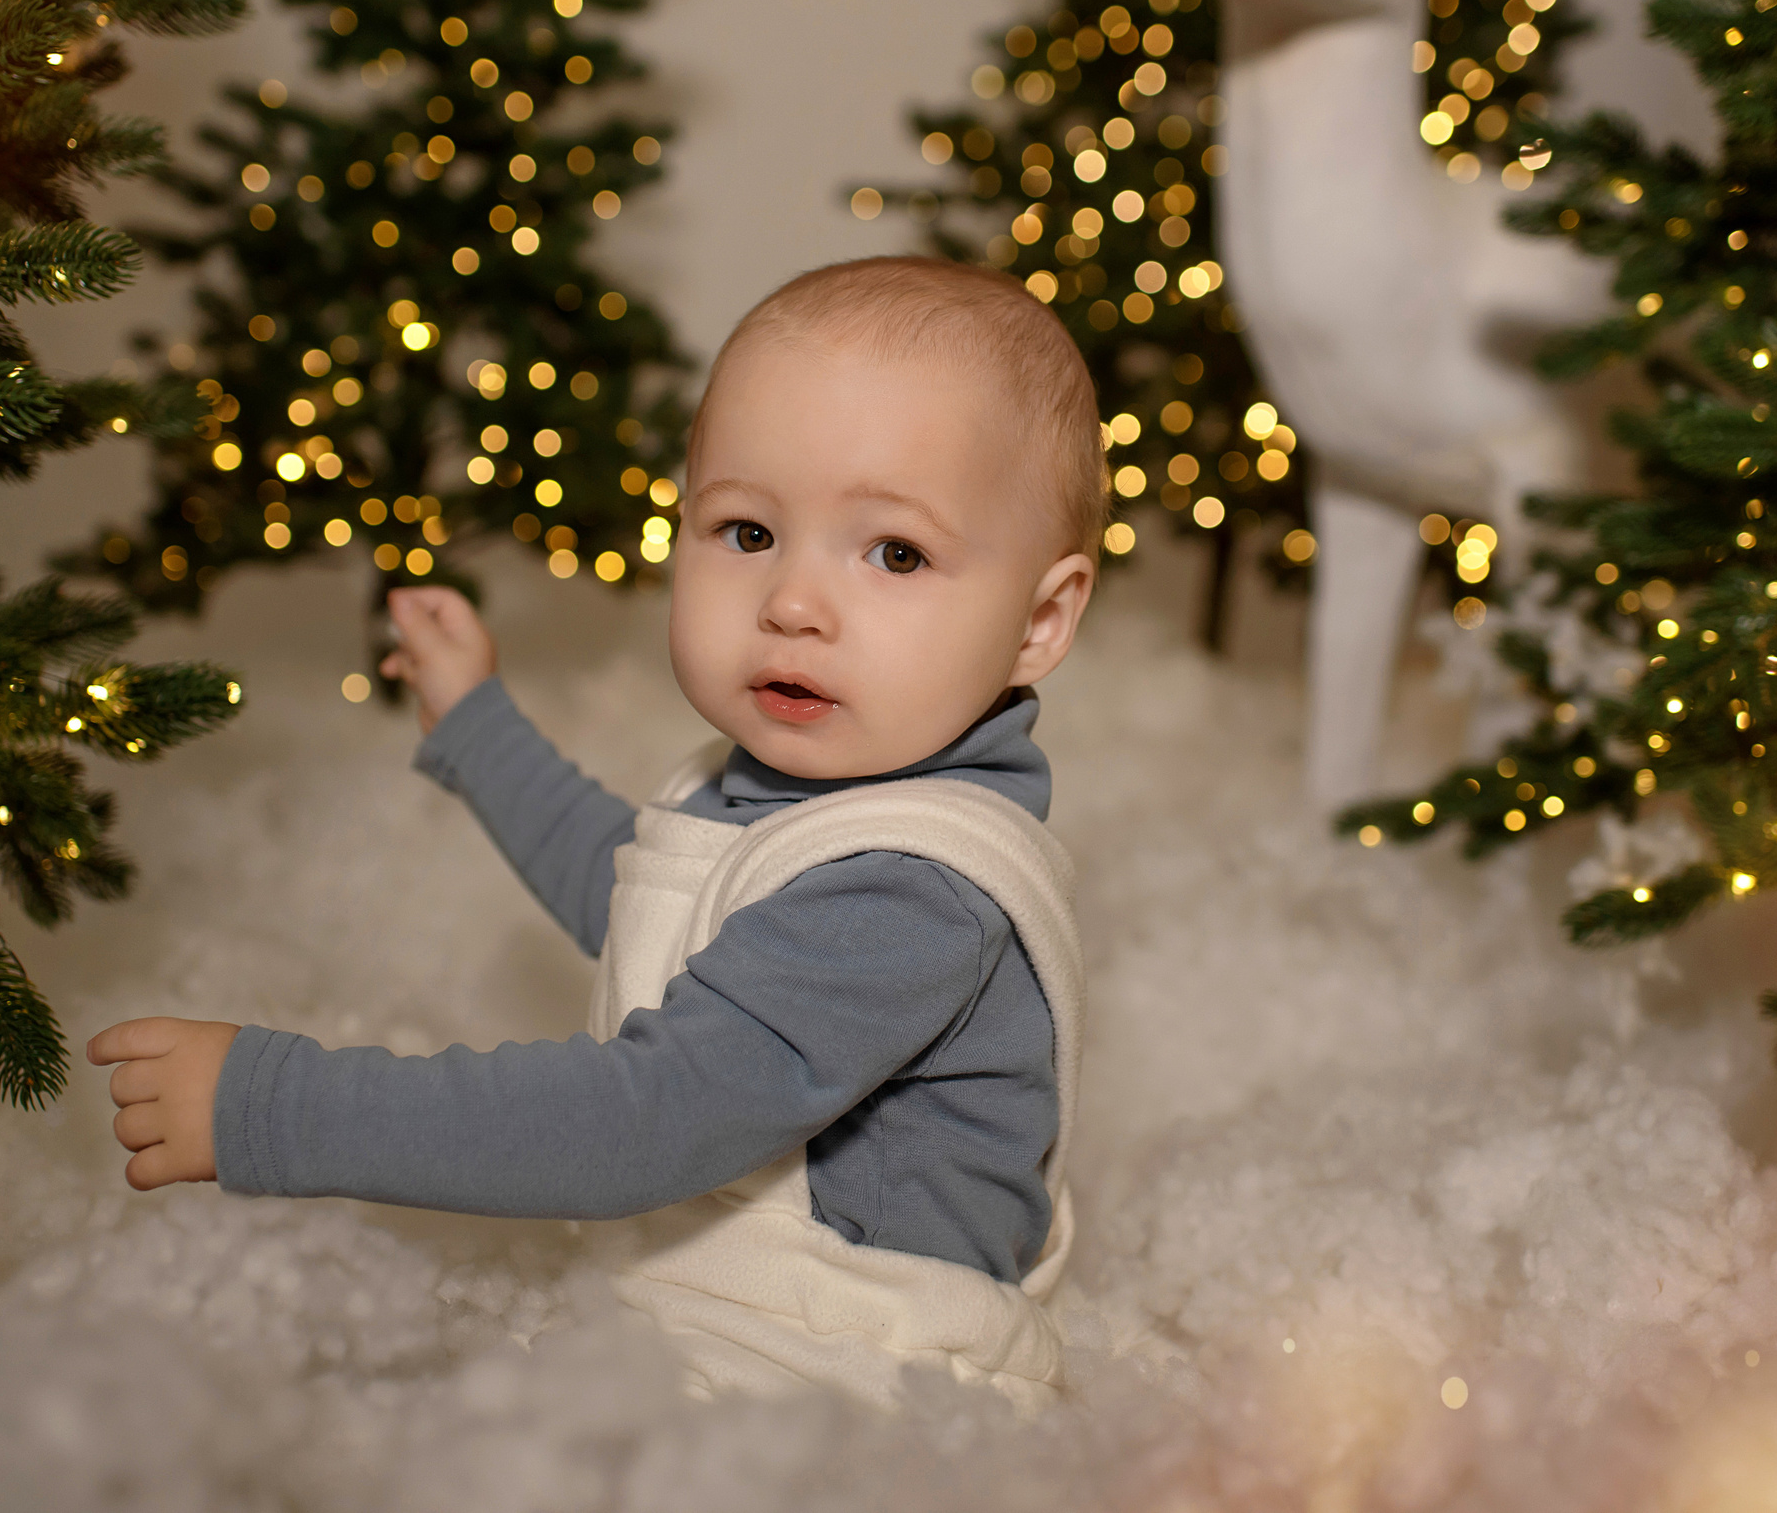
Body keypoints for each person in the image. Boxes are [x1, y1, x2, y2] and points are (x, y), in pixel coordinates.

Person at [87, 257, 1103, 1411]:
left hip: (855, 1375)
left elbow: (637, 1120)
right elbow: (639, 896)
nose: (793, 601)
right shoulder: (788, 795)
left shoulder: (909, 893)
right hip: (747, 1321)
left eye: (895, 552)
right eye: (747, 529)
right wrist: (478, 725)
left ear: (1039, 620)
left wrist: (281, 1104)